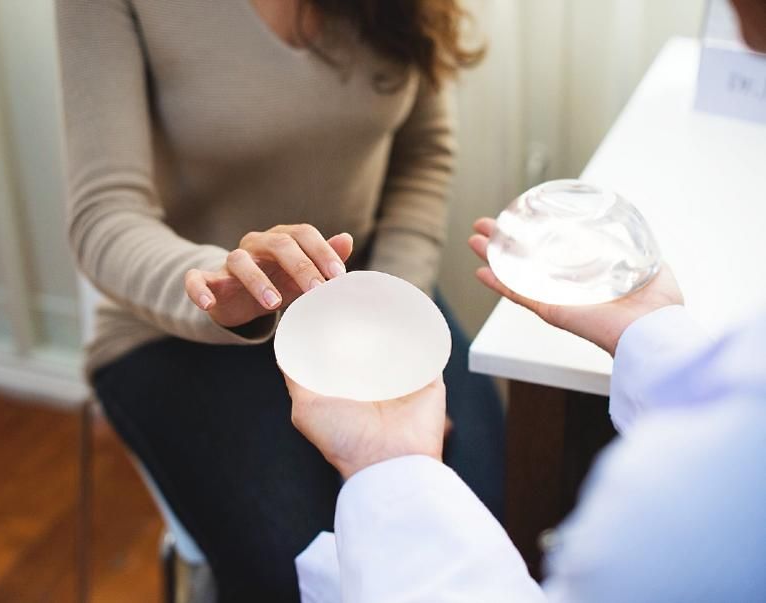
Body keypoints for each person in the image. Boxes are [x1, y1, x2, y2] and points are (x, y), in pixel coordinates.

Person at [287, 8, 766, 598]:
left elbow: (425, 153)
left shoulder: (666, 517)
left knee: (496, 487)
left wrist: (390, 467)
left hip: (377, 299)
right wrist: (652, 331)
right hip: (222, 327)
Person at [56, 1, 504, 600]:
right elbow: (103, 215)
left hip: (359, 298)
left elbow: (423, 155)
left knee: (482, 516)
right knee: (302, 575)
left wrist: (391, 323)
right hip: (181, 332)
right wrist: (215, 285)